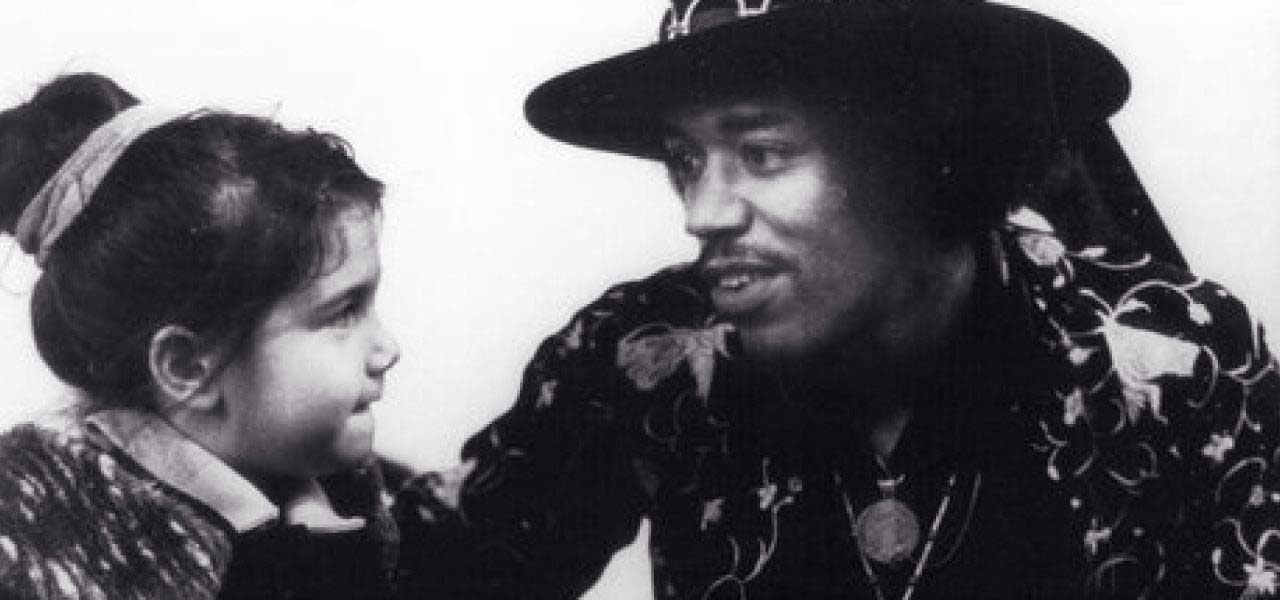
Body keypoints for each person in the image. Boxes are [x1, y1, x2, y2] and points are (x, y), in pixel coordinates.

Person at [393, 0, 1280, 598]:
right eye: (685, 162)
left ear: (925, 154)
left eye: (764, 153)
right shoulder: (644, 355)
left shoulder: (1174, 360)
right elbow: (444, 569)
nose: (703, 214)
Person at [0, 73, 401, 598]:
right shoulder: (37, 556)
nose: (388, 350)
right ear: (188, 366)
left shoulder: (342, 494)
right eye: (344, 312)